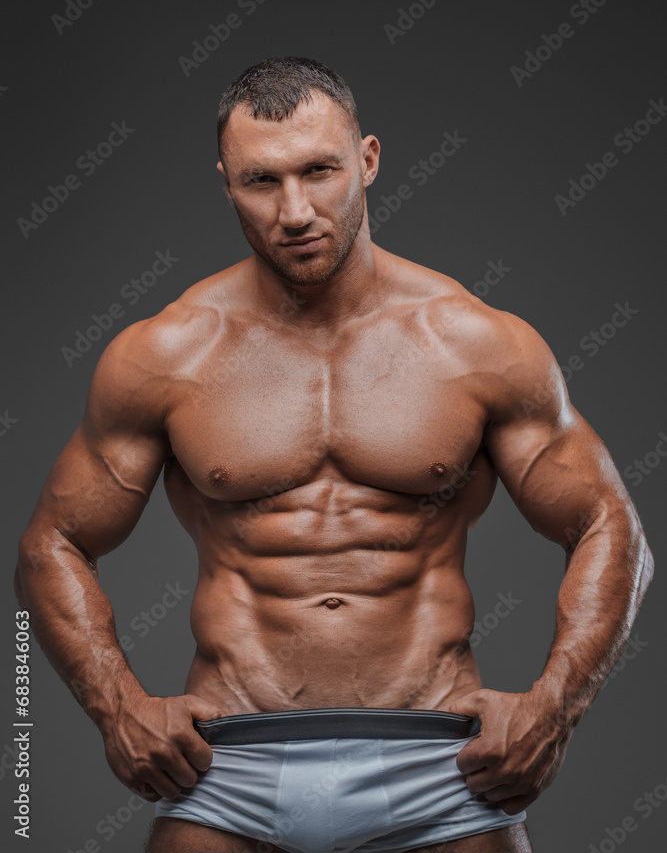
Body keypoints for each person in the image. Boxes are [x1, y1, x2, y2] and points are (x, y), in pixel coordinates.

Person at [15, 57, 653, 853]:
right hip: (229, 769)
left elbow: (607, 524)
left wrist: (552, 710)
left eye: (320, 171)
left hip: (440, 764)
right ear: (225, 183)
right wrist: (117, 707)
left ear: (369, 160)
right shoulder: (166, 354)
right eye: (260, 181)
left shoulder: (476, 343)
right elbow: (52, 543)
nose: (294, 211)